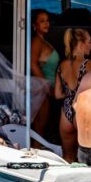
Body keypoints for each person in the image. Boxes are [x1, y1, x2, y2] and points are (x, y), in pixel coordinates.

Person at [54, 28, 91, 162]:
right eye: (89, 42)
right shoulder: (89, 64)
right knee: (85, 158)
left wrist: (70, 95)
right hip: (82, 110)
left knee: (67, 157)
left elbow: (58, 94)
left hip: (65, 111)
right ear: (81, 44)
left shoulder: (62, 65)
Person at [30, 9, 59, 139]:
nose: (46, 23)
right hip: (42, 89)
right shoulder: (37, 41)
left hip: (47, 89)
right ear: (34, 26)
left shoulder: (43, 40)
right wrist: (46, 85)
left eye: (47, 20)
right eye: (42, 21)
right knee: (40, 126)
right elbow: (32, 63)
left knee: (44, 125)